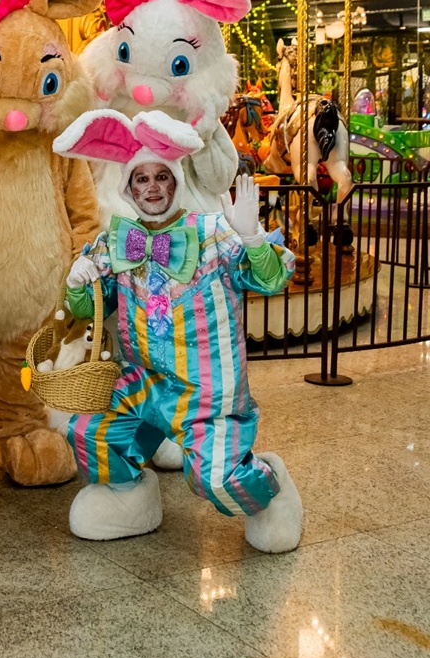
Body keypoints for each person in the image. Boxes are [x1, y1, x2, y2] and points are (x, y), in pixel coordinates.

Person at [50, 108, 304, 553]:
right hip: (144, 383)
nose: (152, 188)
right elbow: (91, 309)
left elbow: (271, 279)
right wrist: (79, 286)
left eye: (161, 177)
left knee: (217, 484)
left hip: (207, 394)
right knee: (88, 425)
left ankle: (270, 481)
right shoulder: (114, 243)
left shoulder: (212, 235)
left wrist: (251, 237)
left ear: (176, 181)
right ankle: (130, 497)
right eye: (141, 179)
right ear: (128, 187)